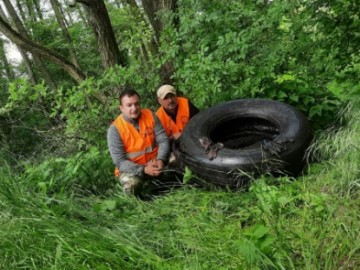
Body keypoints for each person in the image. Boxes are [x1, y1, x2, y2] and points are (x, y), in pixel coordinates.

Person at [107, 86, 170, 196]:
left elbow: (163, 140)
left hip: (155, 163)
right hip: (133, 169)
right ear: (121, 108)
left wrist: (161, 159)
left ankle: (158, 187)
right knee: (131, 186)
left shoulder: (150, 115)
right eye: (129, 105)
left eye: (136, 104)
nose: (134, 108)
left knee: (178, 162)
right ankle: (138, 204)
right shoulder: (115, 129)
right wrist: (143, 169)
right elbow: (120, 162)